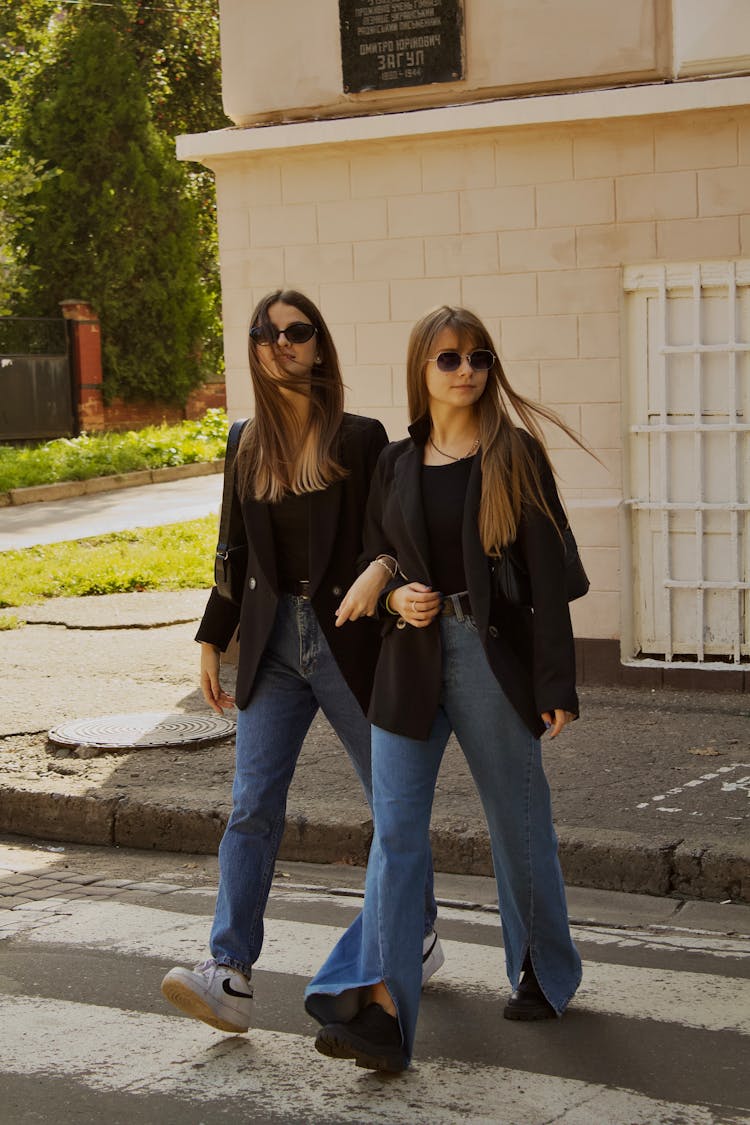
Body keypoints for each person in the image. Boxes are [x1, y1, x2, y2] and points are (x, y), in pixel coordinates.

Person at [304, 304, 586, 1072]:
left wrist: (556, 680)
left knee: (517, 820)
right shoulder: (394, 462)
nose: (467, 370)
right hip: (409, 660)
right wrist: (394, 593)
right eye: (450, 359)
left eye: (479, 358)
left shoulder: (513, 455)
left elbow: (552, 582)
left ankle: (541, 966)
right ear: (421, 371)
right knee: (395, 837)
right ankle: (385, 1011)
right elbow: (380, 546)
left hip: (490, 658)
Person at [160, 289, 441, 1035]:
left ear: (319, 346)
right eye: (267, 332)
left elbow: (391, 538)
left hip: (349, 643)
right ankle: (230, 971)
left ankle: (415, 929)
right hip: (274, 650)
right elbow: (233, 550)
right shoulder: (245, 440)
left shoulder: (359, 437)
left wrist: (384, 586)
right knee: (252, 806)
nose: (281, 343)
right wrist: (210, 637)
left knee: (392, 803)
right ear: (254, 347)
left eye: (297, 331)